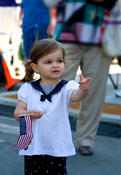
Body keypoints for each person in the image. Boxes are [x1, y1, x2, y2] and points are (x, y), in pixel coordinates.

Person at [44, 0, 117, 155]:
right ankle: (51, 137)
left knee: (93, 93)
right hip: (66, 36)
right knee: (55, 89)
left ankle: (86, 140)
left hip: (101, 38)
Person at [14, 39, 90, 175]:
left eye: (59, 61)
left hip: (57, 146)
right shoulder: (27, 89)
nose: (55, 65)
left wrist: (83, 89)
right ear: (35, 67)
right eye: (48, 62)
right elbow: (18, 113)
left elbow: (77, 96)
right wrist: (28, 113)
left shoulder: (67, 87)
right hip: (33, 145)